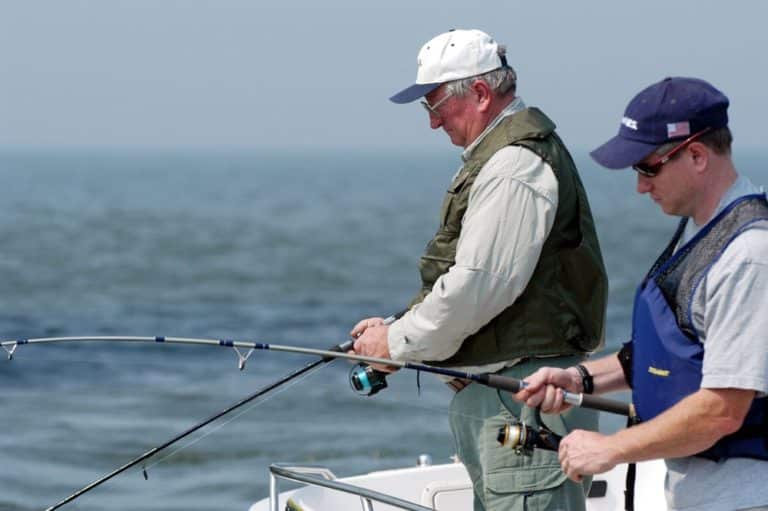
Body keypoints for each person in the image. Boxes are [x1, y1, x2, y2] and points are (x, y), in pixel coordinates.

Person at [351, 28, 608, 511]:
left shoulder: (514, 164)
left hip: (525, 406)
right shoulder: (506, 156)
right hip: (508, 404)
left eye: (434, 105)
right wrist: (396, 330)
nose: (431, 123)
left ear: (482, 94)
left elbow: (477, 287)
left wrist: (396, 344)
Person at [514, 77, 768, 511]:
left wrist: (611, 449)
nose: (640, 186)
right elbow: (671, 356)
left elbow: (723, 408)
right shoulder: (700, 229)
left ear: (696, 155)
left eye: (648, 167)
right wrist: (579, 378)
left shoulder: (748, 255)